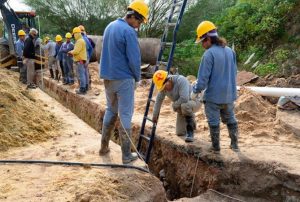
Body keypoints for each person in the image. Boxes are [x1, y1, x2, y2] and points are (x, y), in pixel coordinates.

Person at [99, 0, 149, 164]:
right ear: (133, 16)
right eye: (139, 21)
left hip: (108, 78)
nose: (138, 26)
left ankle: (104, 146)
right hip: (124, 78)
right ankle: (126, 155)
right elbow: (135, 60)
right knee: (125, 114)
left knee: (111, 110)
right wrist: (137, 78)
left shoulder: (110, 26)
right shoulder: (128, 32)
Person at [192, 21, 239, 153]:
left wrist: (195, 91)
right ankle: (234, 144)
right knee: (230, 118)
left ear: (208, 38)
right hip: (229, 95)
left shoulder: (208, 54)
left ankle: (216, 147)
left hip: (213, 97)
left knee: (213, 121)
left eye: (202, 41)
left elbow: (202, 80)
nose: (202, 45)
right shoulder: (230, 51)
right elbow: (235, 72)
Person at [152, 70, 201, 142]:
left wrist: (174, 105)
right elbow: (158, 101)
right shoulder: (164, 87)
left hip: (194, 102)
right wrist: (155, 115)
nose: (164, 89)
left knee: (184, 105)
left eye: (165, 86)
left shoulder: (181, 80)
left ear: (169, 79)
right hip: (181, 108)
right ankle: (191, 119)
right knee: (179, 133)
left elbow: (184, 98)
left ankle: (190, 132)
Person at [68, 27, 87, 94]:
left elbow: (76, 51)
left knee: (81, 75)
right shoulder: (81, 40)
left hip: (80, 60)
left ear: (76, 33)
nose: (73, 36)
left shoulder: (79, 41)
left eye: (74, 34)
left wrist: (70, 52)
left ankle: (82, 89)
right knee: (82, 75)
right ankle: (83, 88)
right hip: (81, 60)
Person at [78, 25, 93, 90]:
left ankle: (82, 88)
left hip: (82, 57)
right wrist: (89, 56)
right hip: (86, 57)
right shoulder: (86, 38)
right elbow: (91, 48)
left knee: (82, 73)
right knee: (86, 72)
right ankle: (87, 86)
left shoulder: (80, 39)